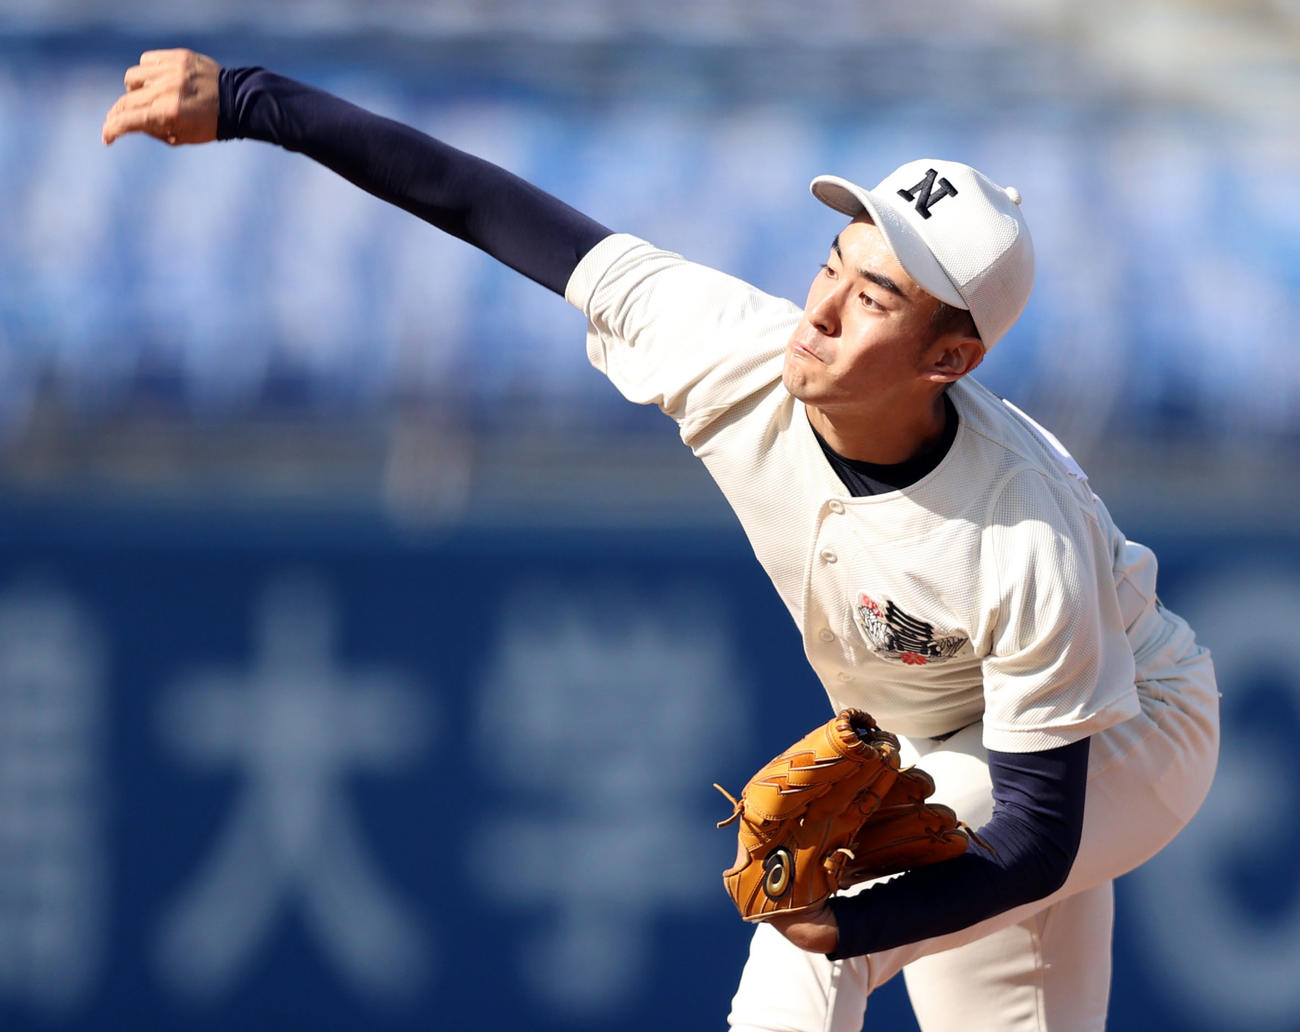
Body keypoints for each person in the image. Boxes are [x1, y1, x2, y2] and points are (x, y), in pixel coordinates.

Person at [101, 49, 1221, 1032]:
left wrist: (851, 925)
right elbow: (482, 204)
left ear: (948, 361)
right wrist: (251, 98)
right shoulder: (728, 346)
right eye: (834, 261)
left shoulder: (1022, 525)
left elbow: (1028, 832)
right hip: (950, 738)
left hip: (1121, 731)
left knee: (812, 922)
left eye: (874, 297)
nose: (822, 307)